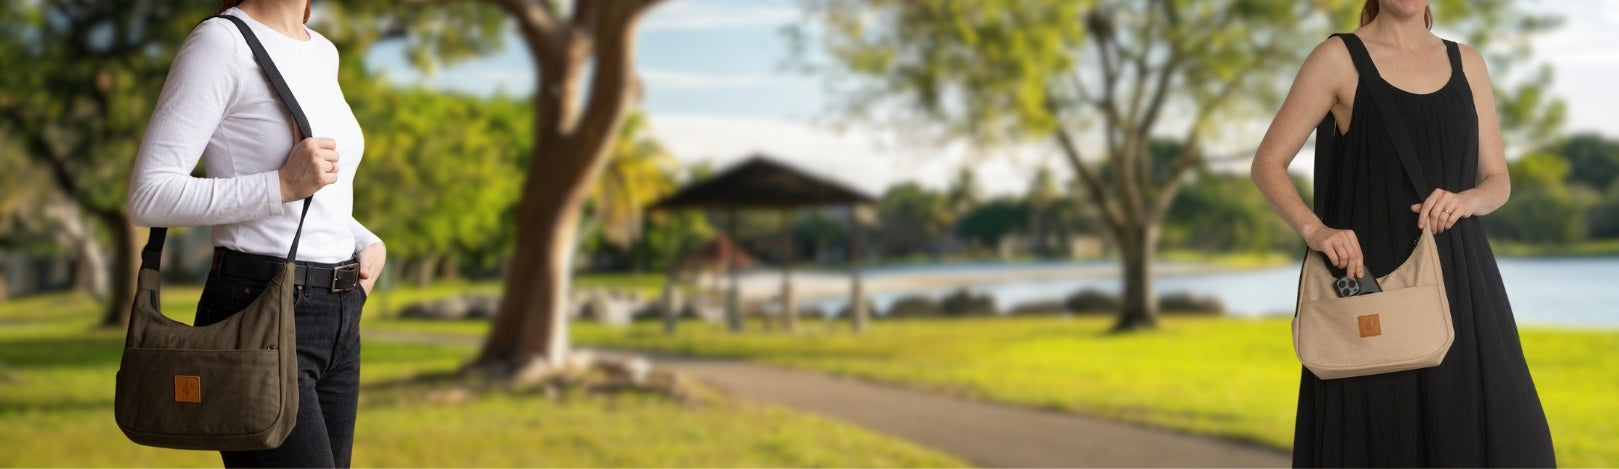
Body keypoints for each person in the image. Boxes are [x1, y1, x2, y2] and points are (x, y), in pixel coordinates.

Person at [1250, 0, 1555, 466]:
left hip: (1462, 282)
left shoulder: (1468, 63)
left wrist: (1468, 200)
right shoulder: (1336, 59)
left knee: (1509, 440)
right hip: (1373, 285)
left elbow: (1498, 181)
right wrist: (1315, 229)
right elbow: (1267, 163)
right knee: (1386, 439)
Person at [127, 0, 385, 467]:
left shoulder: (322, 51)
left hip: (339, 313)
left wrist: (363, 240)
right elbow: (150, 193)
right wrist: (280, 185)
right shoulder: (220, 43)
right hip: (257, 308)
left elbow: (317, 189)